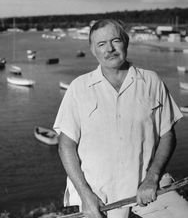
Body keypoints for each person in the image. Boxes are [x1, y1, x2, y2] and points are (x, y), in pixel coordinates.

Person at [53, 19, 188, 218]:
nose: (109, 49)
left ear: (126, 42)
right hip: (100, 197)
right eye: (101, 44)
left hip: (150, 188)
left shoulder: (152, 81)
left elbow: (168, 135)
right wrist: (85, 195)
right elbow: (66, 145)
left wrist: (152, 177)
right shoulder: (78, 88)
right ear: (92, 50)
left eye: (115, 40)